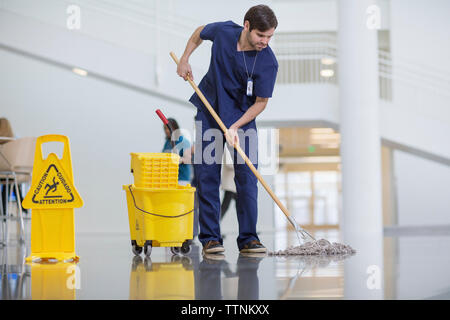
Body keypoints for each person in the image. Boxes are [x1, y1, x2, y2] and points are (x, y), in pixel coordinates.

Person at [176, 5, 278, 255]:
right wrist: (184, 58)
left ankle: (248, 239)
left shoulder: (268, 62)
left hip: (243, 120)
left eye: (269, 37)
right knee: (207, 175)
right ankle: (211, 239)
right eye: (260, 36)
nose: (264, 42)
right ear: (246, 26)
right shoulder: (223, 32)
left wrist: (234, 126)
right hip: (209, 110)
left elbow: (261, 103)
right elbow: (199, 33)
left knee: (247, 178)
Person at [161, 117, 191, 185]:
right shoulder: (167, 143)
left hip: (181, 179)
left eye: (168, 128)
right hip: (168, 179)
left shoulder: (183, 142)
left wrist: (176, 160)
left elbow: (187, 159)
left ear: (175, 128)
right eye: (165, 128)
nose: (166, 131)